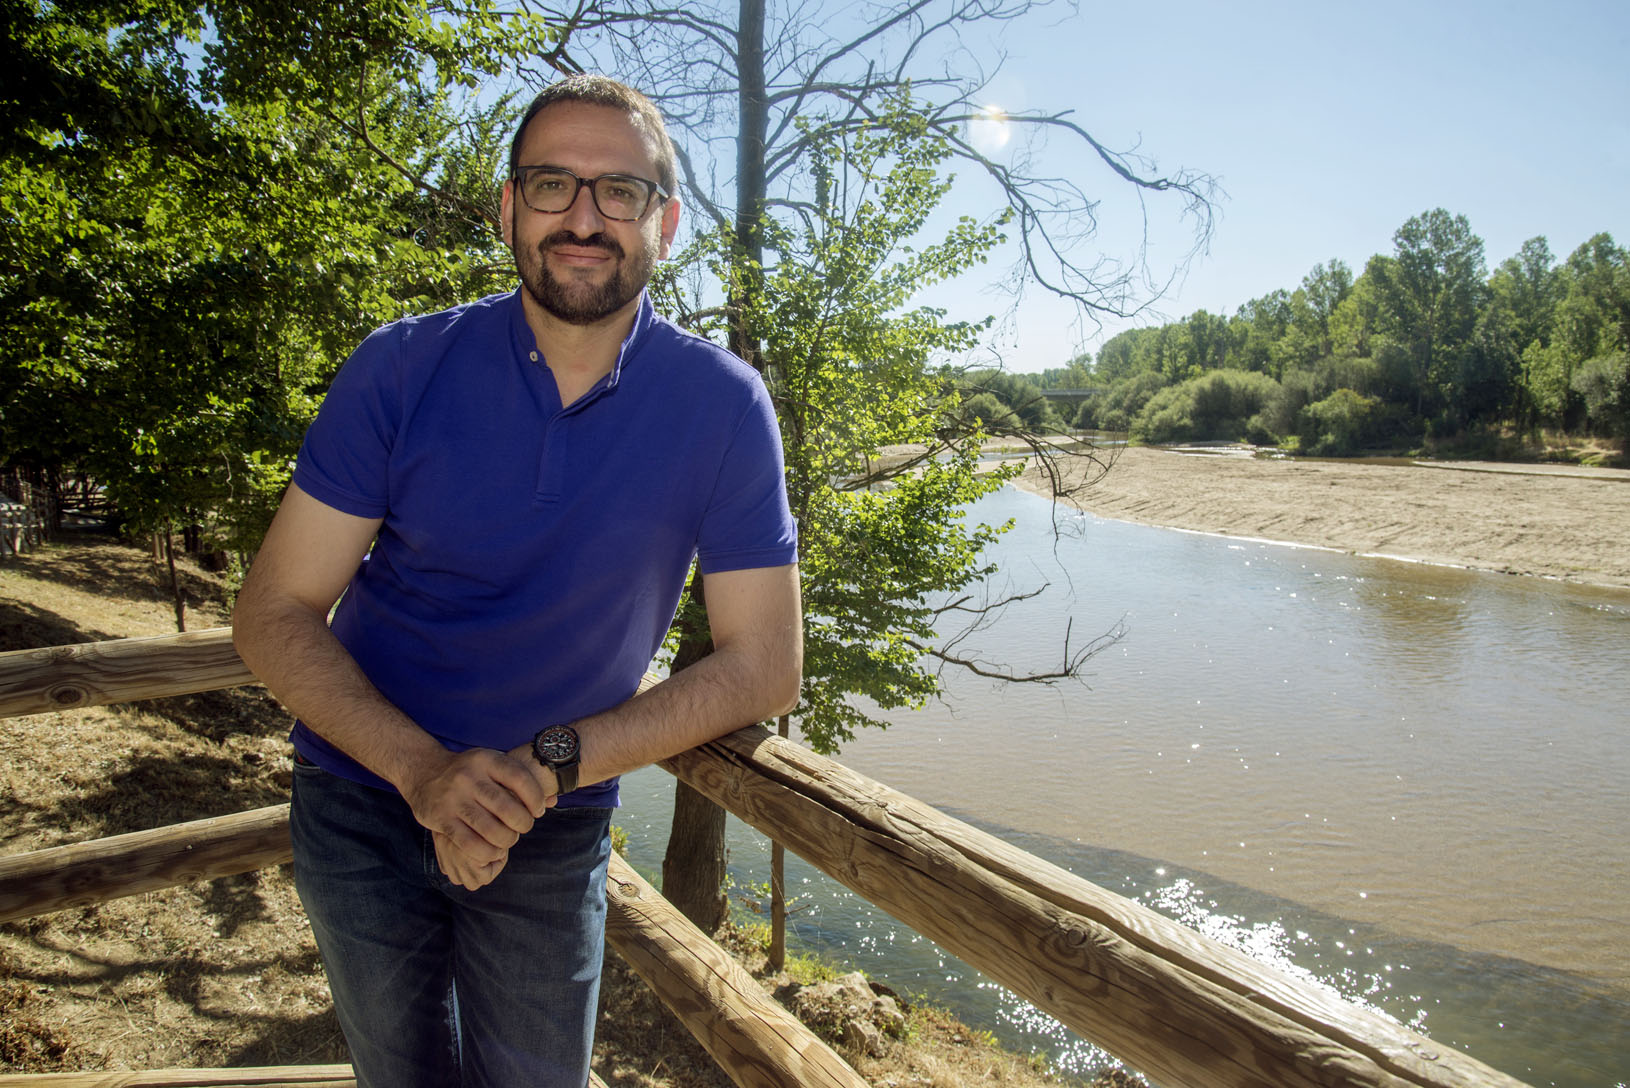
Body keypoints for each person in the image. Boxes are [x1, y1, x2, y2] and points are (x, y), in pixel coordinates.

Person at [231, 74, 802, 1088]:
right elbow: (274, 610)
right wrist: (423, 772)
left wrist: (548, 762)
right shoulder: (399, 367)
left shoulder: (721, 405)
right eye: (551, 184)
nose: (583, 218)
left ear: (664, 223)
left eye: (618, 191)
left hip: (555, 813)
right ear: (506, 210)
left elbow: (764, 665)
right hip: (360, 799)